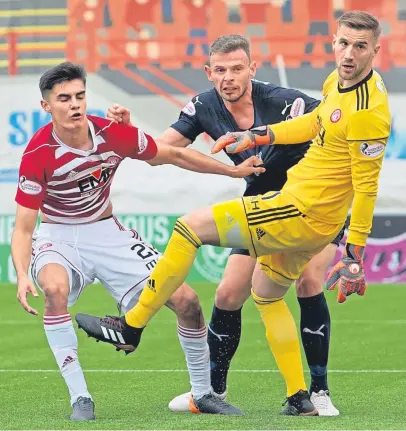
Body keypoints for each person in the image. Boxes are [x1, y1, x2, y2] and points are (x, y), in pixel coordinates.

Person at [76, 10, 391, 415]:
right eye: (343, 43)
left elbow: (367, 186)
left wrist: (354, 253)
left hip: (298, 210)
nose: (349, 53)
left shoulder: (365, 109)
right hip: (289, 208)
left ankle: (131, 325)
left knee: (190, 228)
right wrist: (260, 135)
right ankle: (298, 399)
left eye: (360, 46)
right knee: (261, 294)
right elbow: (316, 122)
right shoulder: (336, 82)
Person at [11, 62, 264, 420]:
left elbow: (173, 154)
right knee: (54, 290)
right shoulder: (38, 154)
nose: (74, 105)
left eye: (80, 96)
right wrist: (23, 274)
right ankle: (80, 397)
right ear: (46, 106)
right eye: (64, 99)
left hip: (108, 231)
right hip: (58, 236)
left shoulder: (114, 133)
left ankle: (203, 394)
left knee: (187, 300)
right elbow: (23, 228)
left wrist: (232, 169)